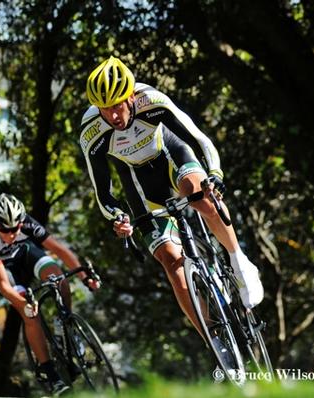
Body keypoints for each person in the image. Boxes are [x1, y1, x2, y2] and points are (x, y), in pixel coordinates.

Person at [79, 56, 264, 348]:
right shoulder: (92, 133)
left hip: (171, 157)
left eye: (117, 105)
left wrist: (214, 174)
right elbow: (103, 192)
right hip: (139, 184)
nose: (113, 115)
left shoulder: (151, 100)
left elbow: (200, 140)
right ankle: (215, 341)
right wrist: (118, 218)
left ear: (130, 96)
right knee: (170, 260)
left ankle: (238, 260)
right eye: (106, 109)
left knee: (200, 196)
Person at [0, 193, 99, 395]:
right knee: (29, 313)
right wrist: (24, 305)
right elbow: (5, 286)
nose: (11, 233)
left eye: (15, 228)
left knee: (61, 280)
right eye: (5, 230)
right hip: (5, 269)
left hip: (25, 253)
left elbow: (59, 250)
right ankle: (50, 374)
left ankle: (63, 323)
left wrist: (85, 277)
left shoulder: (27, 224)